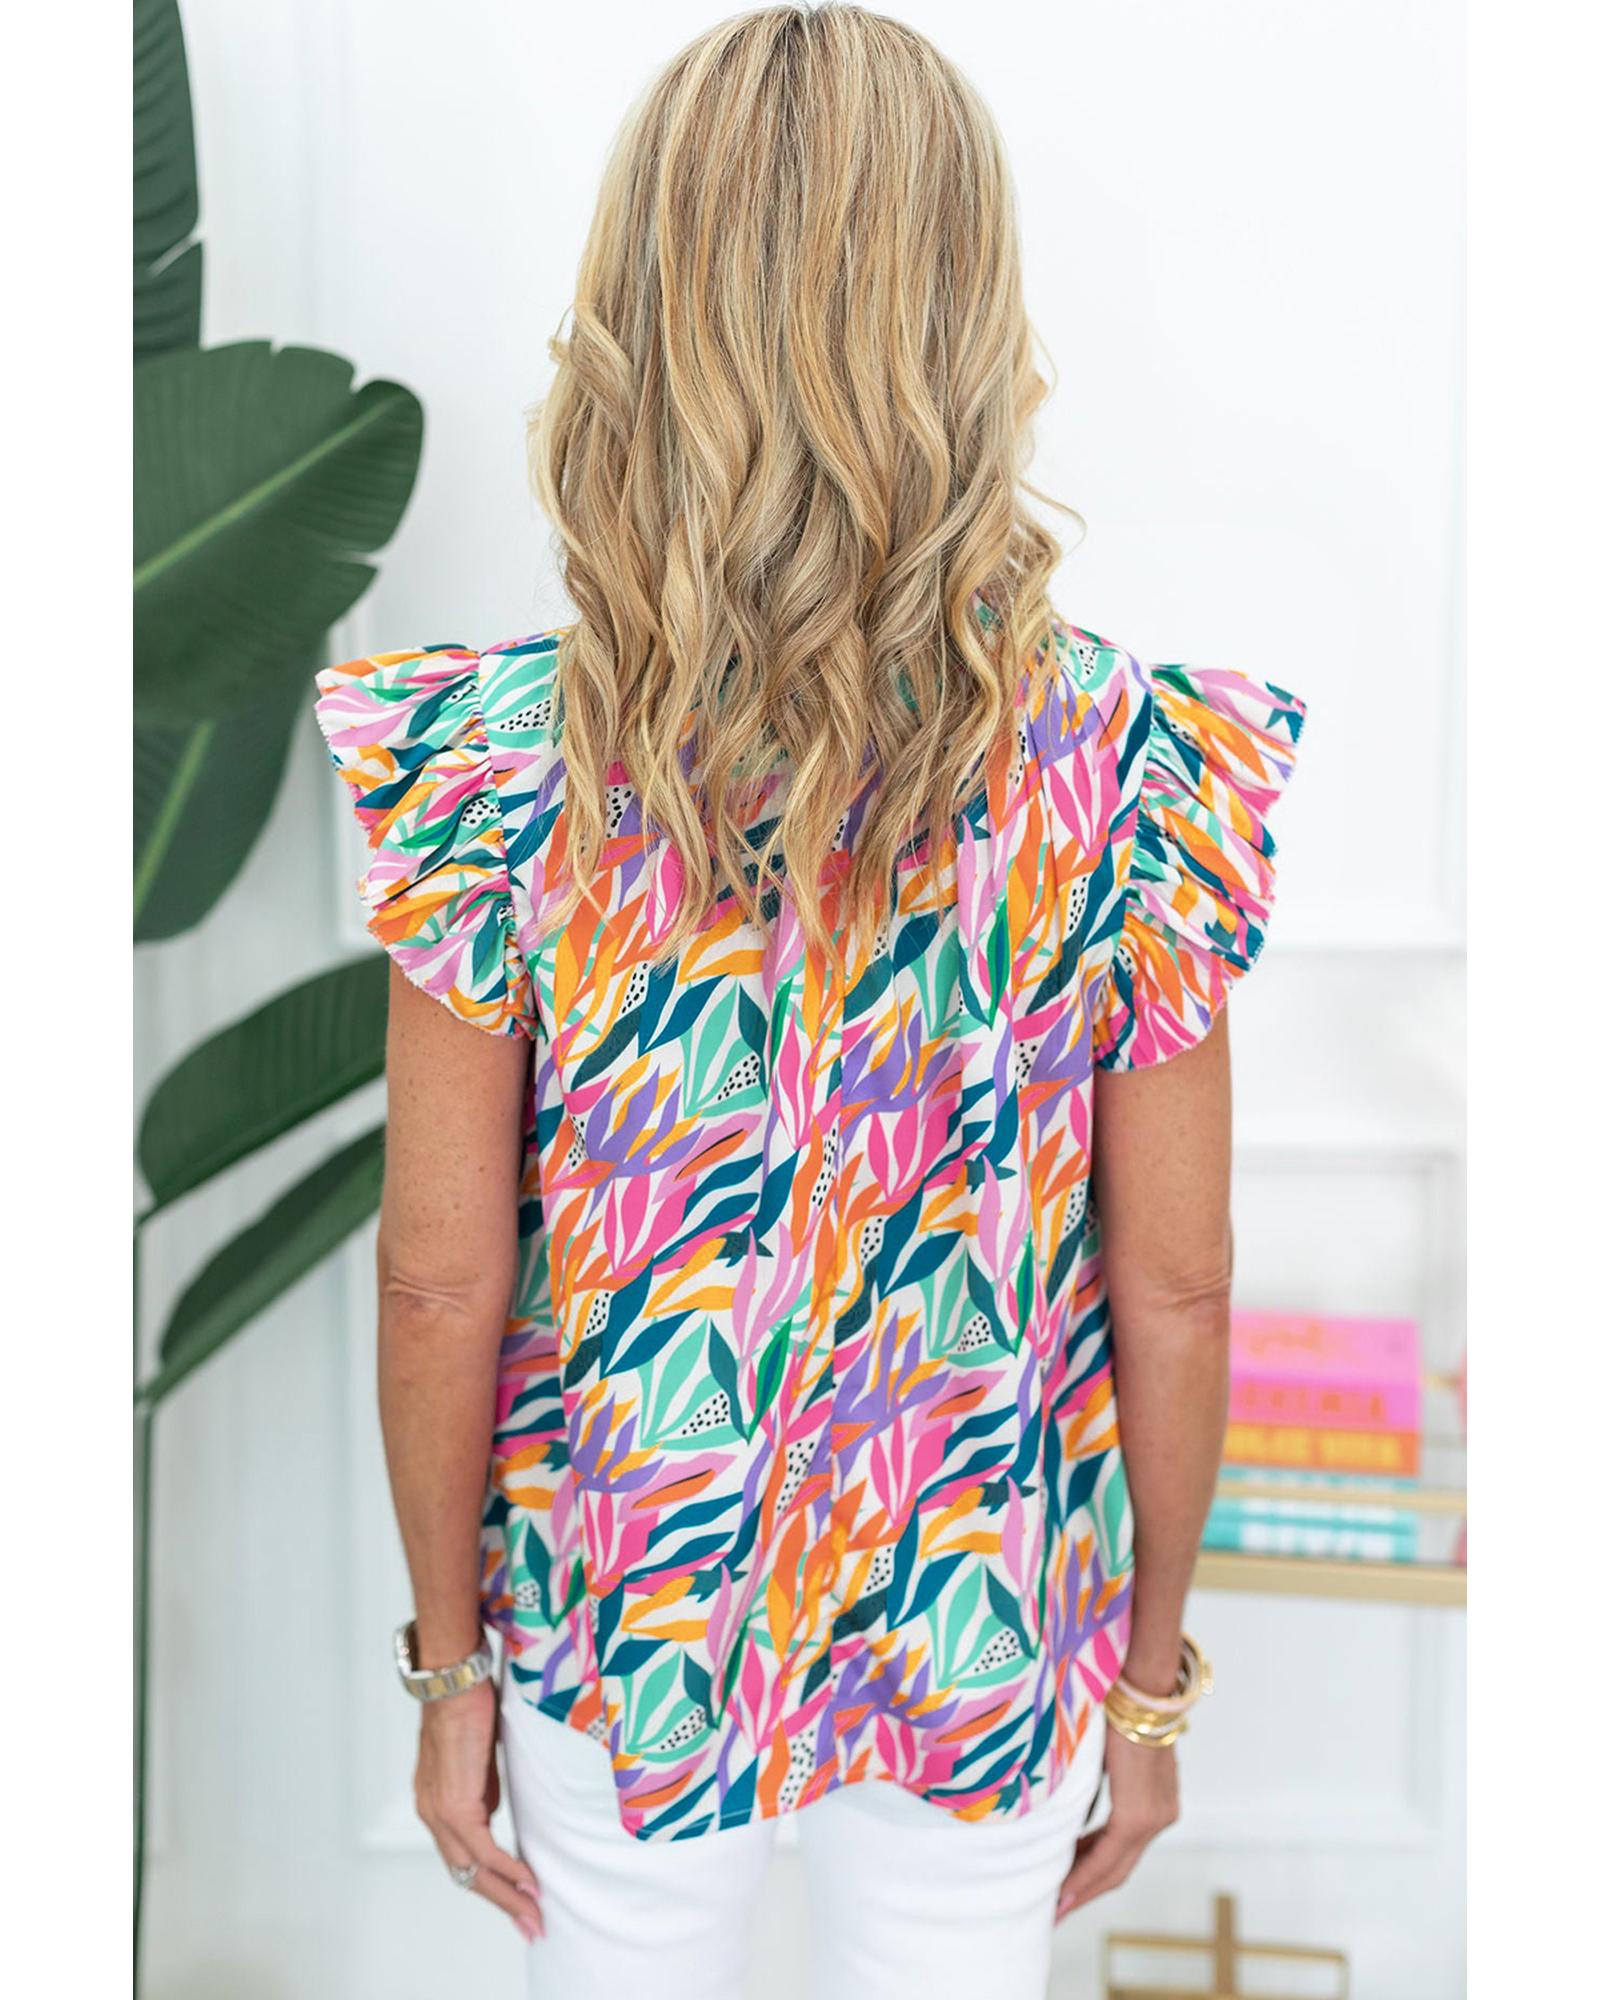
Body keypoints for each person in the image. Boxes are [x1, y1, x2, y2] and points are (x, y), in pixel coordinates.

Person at [312, 8, 1305, 1996]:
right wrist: (1148, 1683)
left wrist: (448, 1671)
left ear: (640, 316)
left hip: (623, 1608)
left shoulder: (500, 767)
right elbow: (1176, 1284)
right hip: (984, 1622)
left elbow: (435, 1279)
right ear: (965, 318)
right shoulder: (1129, 772)